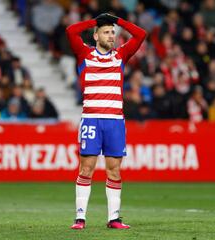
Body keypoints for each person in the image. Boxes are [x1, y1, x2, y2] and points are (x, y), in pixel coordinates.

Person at [66, 13, 146, 229]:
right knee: (86, 169)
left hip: (115, 122)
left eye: (113, 32)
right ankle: (80, 218)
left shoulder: (121, 55)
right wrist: (95, 20)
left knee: (114, 170)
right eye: (107, 32)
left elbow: (141, 35)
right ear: (96, 35)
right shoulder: (84, 54)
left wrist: (119, 21)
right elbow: (71, 31)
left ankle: (114, 218)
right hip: (92, 120)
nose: (112, 36)